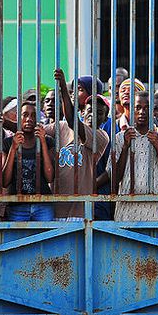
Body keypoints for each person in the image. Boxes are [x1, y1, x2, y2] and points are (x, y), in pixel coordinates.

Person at [48, 69, 110, 221]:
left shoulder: (101, 136)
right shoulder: (62, 127)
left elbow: (72, 121)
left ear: (105, 118)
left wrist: (63, 86)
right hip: (56, 206)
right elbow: (34, 132)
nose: (93, 114)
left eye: (99, 112)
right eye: (90, 110)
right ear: (83, 113)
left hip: (79, 210)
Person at [108, 91, 158, 222]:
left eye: (147, 108)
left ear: (153, 110)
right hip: (126, 210)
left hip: (153, 210)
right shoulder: (120, 137)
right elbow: (114, 178)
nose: (142, 112)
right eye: (138, 107)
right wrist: (125, 147)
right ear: (130, 109)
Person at [2, 102, 55, 221]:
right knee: (18, 239)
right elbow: (5, 181)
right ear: (18, 118)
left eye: (33, 115)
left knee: (47, 238)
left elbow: (50, 177)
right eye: (25, 115)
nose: (29, 119)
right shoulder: (8, 143)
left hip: (42, 203)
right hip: (17, 204)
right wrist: (13, 148)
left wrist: (42, 143)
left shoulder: (47, 141)